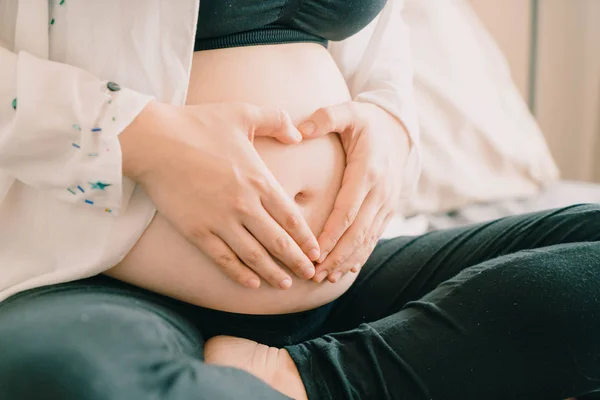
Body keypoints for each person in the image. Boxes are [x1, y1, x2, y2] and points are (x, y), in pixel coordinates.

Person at [0, 1, 599, 399]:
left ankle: (313, 380)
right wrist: (142, 139)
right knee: (54, 376)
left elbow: (381, 63)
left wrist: (389, 127)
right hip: (102, 278)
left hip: (345, 269)